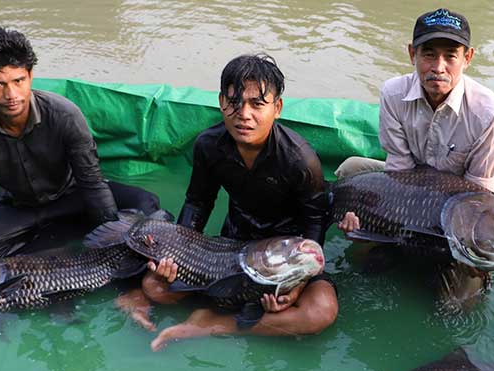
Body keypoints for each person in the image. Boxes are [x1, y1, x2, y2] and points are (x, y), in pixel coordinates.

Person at [117, 54, 338, 350]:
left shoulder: (300, 158)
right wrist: (175, 257)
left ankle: (215, 323)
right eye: (234, 102)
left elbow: (315, 220)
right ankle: (232, 312)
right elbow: (198, 202)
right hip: (232, 246)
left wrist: (296, 283)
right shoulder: (209, 145)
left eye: (257, 104)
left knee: (321, 311)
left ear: (277, 108)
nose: (243, 114)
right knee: (155, 287)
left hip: (286, 255)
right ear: (221, 101)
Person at [0, 28, 160, 275]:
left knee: (146, 203)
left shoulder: (64, 114)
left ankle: (61, 240)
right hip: (19, 207)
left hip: (73, 194)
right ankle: (63, 239)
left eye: (18, 81)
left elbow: (92, 183)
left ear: (31, 75)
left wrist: (111, 243)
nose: (11, 95)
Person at [336, 8, 494, 233]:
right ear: (412, 54)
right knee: (351, 170)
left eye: (450, 56)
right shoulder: (393, 94)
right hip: (414, 187)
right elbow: (399, 172)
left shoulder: (492, 114)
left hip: (471, 201)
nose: (438, 67)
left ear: (467, 58)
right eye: (429, 54)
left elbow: (477, 196)